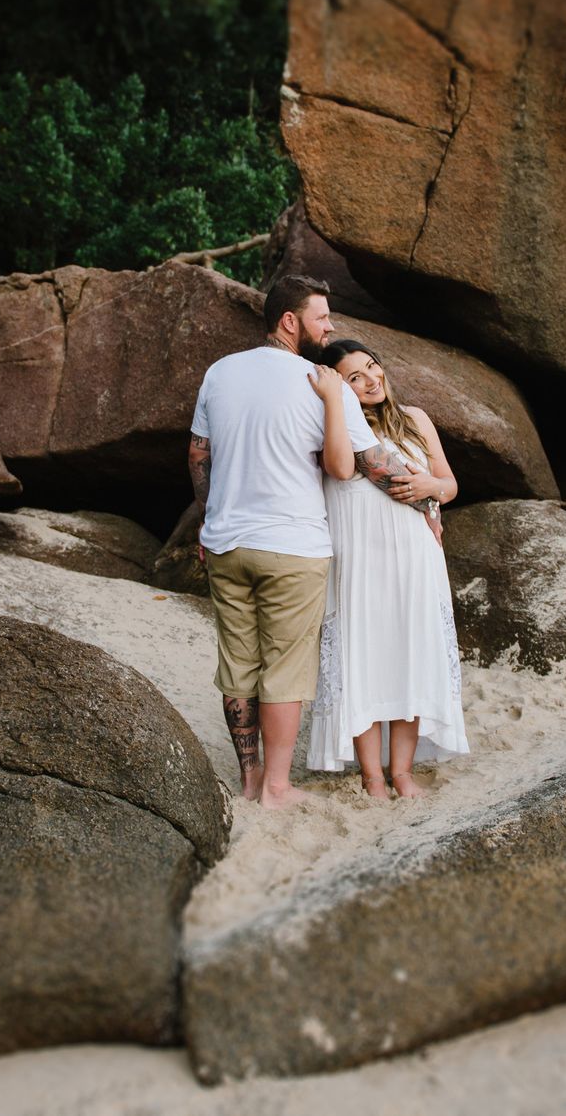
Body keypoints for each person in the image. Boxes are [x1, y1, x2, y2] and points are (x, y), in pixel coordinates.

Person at [188, 276, 377, 809]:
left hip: (226, 544)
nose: (330, 327)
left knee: (238, 664)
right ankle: (276, 786)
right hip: (294, 546)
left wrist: (208, 519)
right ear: (290, 321)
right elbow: (369, 462)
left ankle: (249, 780)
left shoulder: (219, 372)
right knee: (285, 668)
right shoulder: (322, 382)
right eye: (322, 317)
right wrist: (431, 490)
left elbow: (199, 454)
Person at [307, 338, 468, 798]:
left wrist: (431, 486)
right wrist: (335, 403)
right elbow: (339, 469)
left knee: (410, 654)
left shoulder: (415, 419)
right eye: (354, 377)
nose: (370, 379)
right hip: (359, 558)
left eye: (372, 366)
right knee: (362, 658)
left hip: (415, 557)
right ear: (341, 387)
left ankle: (401, 772)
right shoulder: (334, 422)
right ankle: (372, 776)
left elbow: (450, 484)